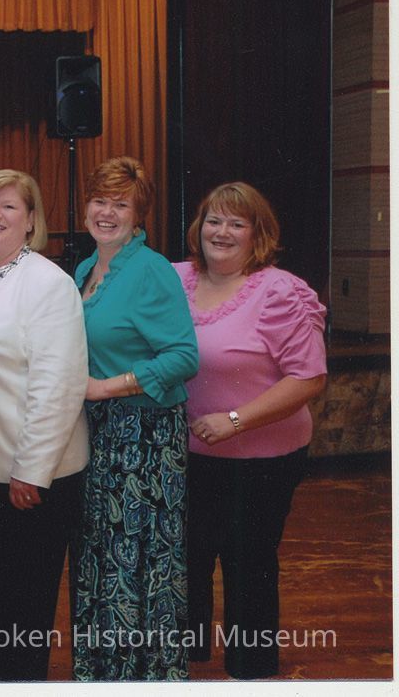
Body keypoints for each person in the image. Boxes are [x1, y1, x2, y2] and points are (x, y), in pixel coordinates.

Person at [174, 182, 327, 679]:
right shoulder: (175, 280)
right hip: (188, 453)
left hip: (262, 458)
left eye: (237, 223)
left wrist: (236, 420)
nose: (222, 231)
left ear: (257, 235)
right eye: (214, 220)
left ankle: (250, 670)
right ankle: (190, 659)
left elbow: (310, 377)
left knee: (248, 565)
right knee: (189, 560)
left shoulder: (278, 291)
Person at [0, 170, 89, 681]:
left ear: (32, 220)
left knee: (21, 610)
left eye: (9, 207)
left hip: (29, 475)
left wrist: (32, 469)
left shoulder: (48, 282)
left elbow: (57, 385)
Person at [71, 156, 198, 681]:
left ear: (138, 215)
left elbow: (185, 355)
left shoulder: (151, 270)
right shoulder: (86, 267)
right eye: (99, 201)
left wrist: (107, 385)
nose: (106, 212)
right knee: (104, 552)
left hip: (144, 436)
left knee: (139, 558)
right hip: (102, 433)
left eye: (119, 204)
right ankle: (104, 670)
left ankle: (144, 675)